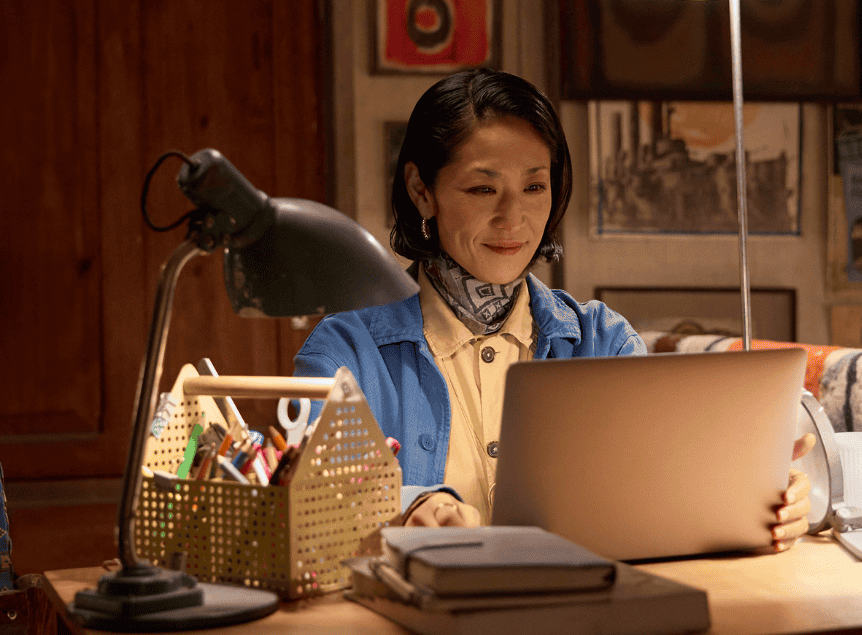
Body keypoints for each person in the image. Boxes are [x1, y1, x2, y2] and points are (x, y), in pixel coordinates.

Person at [294, 68, 813, 551]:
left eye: (534, 187)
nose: (513, 218)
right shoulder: (345, 353)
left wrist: (758, 497)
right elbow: (315, 510)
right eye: (482, 188)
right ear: (420, 191)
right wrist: (410, 507)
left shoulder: (603, 340)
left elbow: (658, 487)